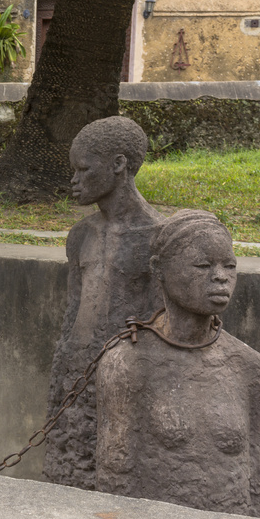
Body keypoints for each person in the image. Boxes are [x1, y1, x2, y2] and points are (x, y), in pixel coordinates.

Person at [95, 210, 260, 517]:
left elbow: (258, 476)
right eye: (203, 265)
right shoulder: (128, 365)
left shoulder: (250, 369)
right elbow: (115, 476)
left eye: (229, 266)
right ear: (159, 269)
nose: (220, 276)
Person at [43, 116, 165, 490]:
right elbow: (72, 312)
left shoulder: (158, 238)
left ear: (118, 165)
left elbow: (164, 321)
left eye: (83, 169)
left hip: (129, 375)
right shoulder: (81, 235)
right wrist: (63, 372)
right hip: (76, 376)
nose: (74, 181)